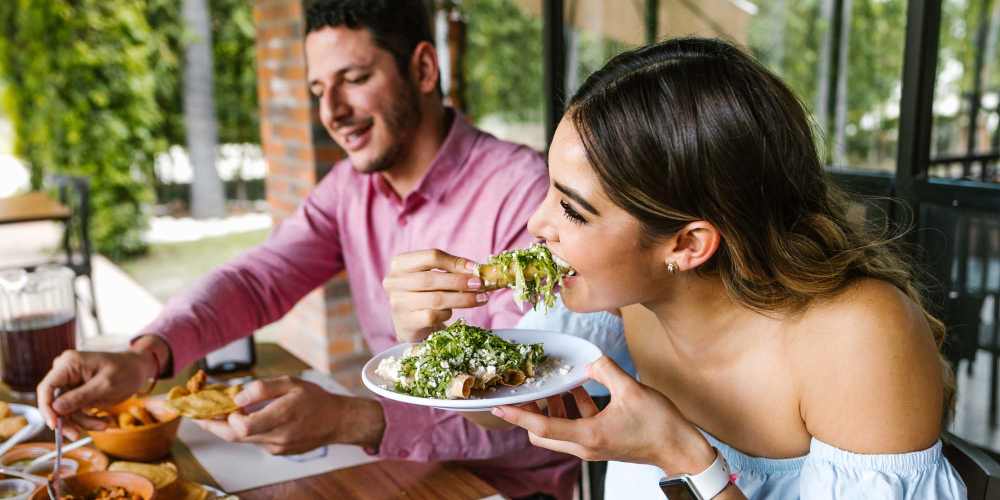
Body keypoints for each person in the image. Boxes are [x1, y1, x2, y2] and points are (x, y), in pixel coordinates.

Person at [35, 1, 578, 498]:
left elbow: (541, 416)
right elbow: (260, 278)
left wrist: (356, 420)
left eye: (356, 79)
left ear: (423, 69)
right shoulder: (349, 188)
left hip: (509, 490)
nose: (332, 112)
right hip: (401, 467)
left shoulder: (523, 194)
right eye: (319, 90)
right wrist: (145, 355)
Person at [396, 38, 968, 498]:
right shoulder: (622, 299)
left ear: (689, 244)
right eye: (551, 189)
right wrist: (429, 349)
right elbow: (503, 415)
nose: (534, 223)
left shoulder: (859, 337)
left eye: (572, 208)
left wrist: (682, 458)